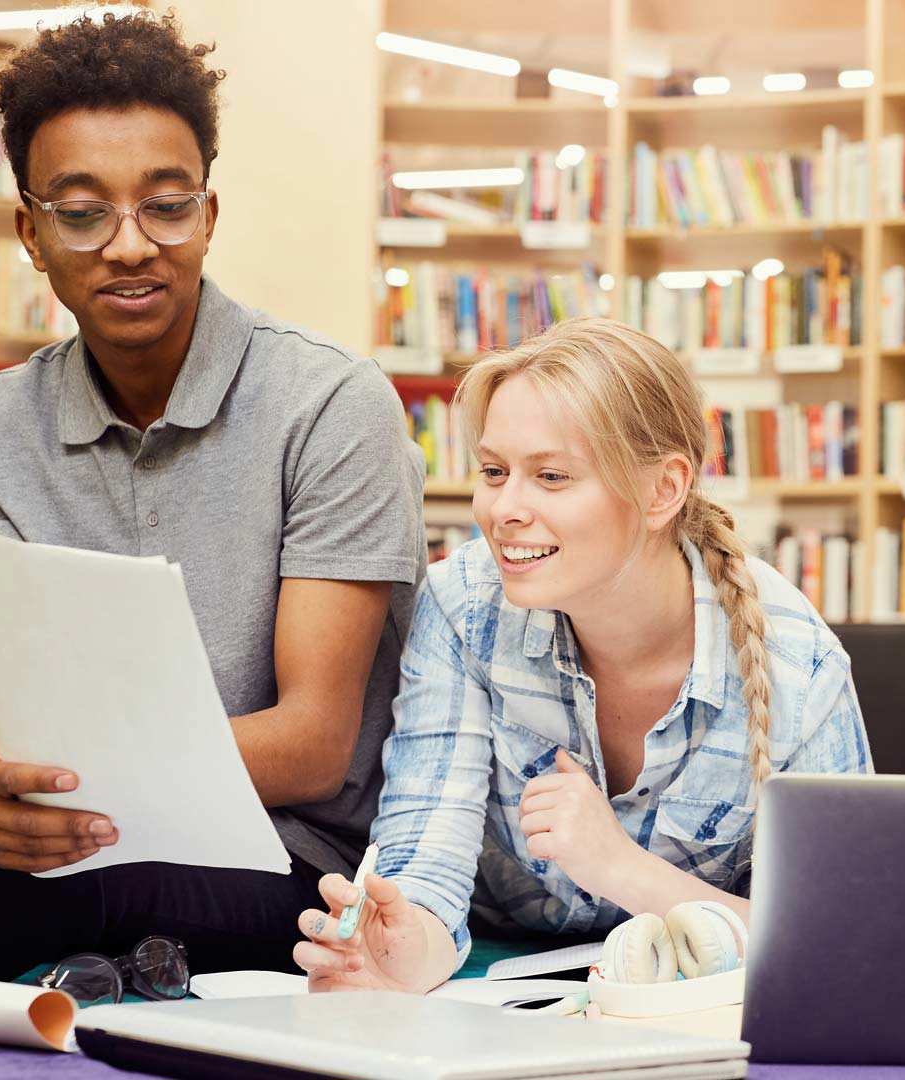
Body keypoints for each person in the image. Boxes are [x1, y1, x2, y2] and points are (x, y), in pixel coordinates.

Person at [0, 10, 422, 981]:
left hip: (292, 851)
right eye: (82, 212)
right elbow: (43, 709)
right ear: (31, 233)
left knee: (42, 879)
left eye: (166, 205)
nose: (130, 245)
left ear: (208, 215)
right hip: (91, 799)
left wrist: (52, 755)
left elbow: (310, 748)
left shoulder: (333, 405)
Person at [291, 319, 873, 991]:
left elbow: (840, 942)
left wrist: (617, 865)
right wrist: (398, 951)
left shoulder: (799, 666)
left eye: (552, 476)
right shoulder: (462, 606)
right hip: (501, 995)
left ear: (662, 490)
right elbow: (428, 861)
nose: (504, 508)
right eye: (494, 472)